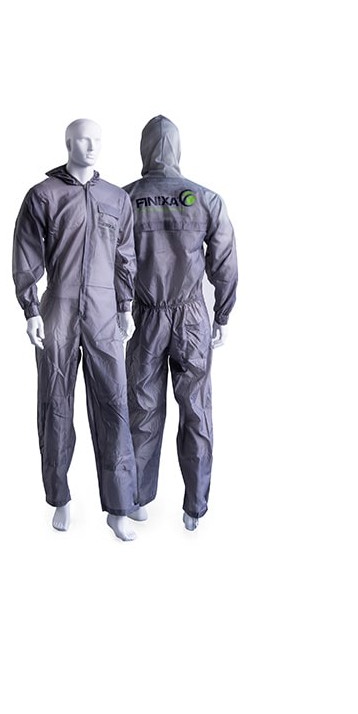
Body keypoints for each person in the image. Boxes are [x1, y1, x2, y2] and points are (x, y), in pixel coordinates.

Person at [12, 119, 140, 541]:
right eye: (84, 138)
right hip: (59, 306)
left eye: (98, 139)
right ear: (68, 143)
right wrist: (31, 310)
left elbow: (125, 255)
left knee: (115, 404)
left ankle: (119, 507)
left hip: (104, 311)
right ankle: (60, 497)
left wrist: (125, 306)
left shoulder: (117, 198)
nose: (92, 145)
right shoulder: (44, 195)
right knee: (55, 403)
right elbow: (27, 254)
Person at [123, 115, 238, 530]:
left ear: (143, 148)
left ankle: (136, 500)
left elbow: (109, 261)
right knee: (196, 412)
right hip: (192, 320)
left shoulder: (124, 199)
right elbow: (224, 262)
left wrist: (116, 308)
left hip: (145, 318)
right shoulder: (205, 199)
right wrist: (222, 313)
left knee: (142, 409)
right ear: (177, 148)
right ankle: (195, 508)